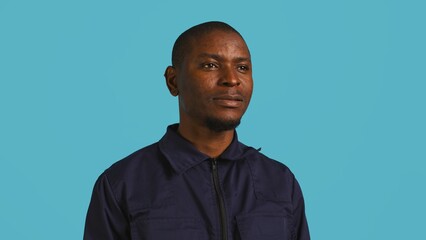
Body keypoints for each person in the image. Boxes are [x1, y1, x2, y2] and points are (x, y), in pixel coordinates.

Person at [84, 21, 310, 240]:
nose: (231, 80)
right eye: (210, 65)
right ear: (173, 81)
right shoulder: (121, 185)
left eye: (242, 68)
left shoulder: (280, 183)